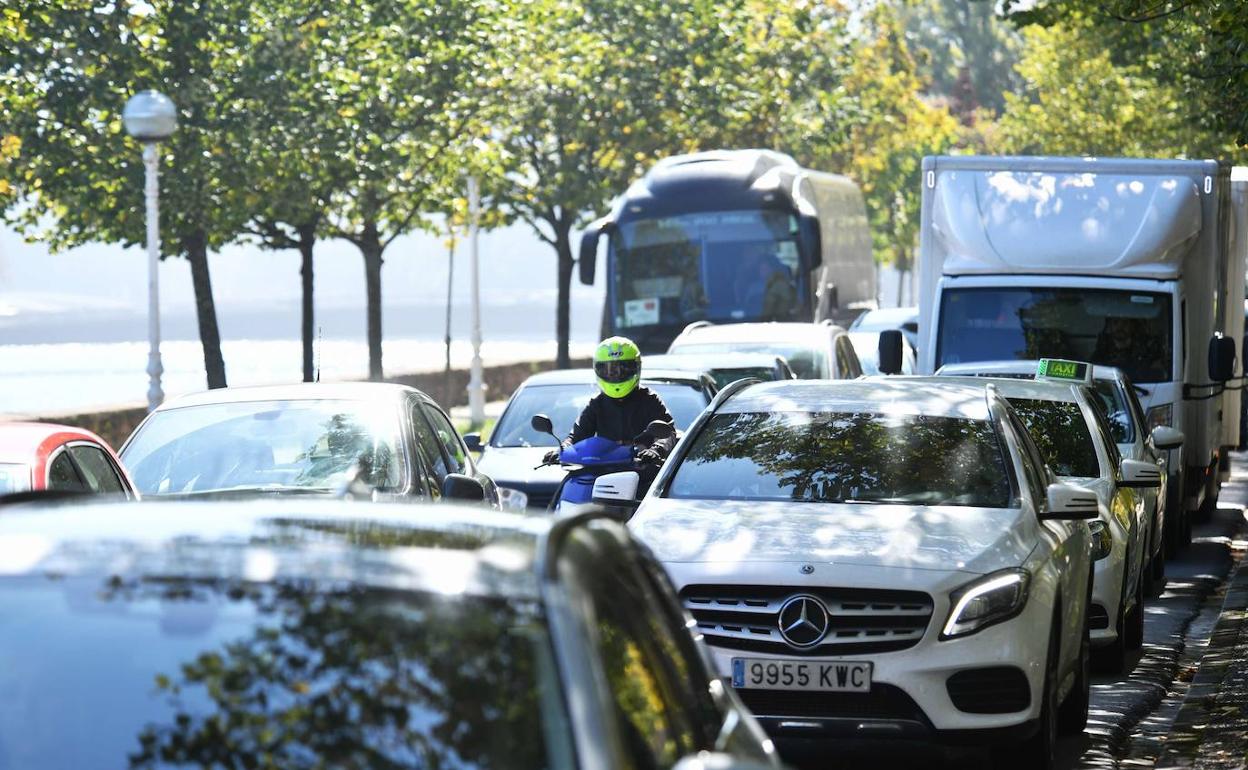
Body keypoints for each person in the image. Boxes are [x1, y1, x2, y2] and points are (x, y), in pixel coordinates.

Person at [543, 336, 676, 466]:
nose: (616, 375)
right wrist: (562, 450)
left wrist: (656, 450)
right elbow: (576, 437)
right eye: (609, 371)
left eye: (623, 369)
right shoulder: (597, 403)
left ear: (636, 368)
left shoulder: (650, 400)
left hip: (643, 468)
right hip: (604, 469)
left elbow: (668, 433)